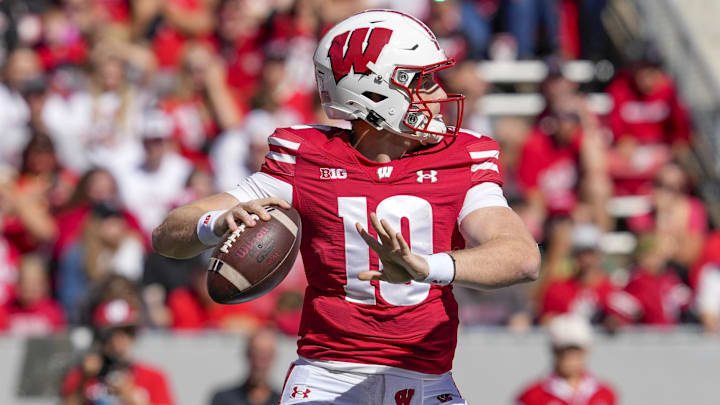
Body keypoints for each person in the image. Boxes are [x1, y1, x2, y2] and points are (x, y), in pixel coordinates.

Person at [153, 10, 540, 404]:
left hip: (426, 376)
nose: (440, 94)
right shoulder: (305, 157)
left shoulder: (463, 157)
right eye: (421, 81)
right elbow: (168, 235)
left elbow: (522, 258)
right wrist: (217, 223)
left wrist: (428, 267)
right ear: (374, 94)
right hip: (326, 377)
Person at [61, 298, 174, 405]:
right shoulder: (81, 376)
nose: (118, 341)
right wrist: (84, 381)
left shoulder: (153, 377)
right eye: (110, 334)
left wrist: (131, 397)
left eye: (127, 332)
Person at [515, 315, 617, 405]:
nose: (569, 357)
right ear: (554, 352)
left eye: (575, 350)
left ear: (586, 352)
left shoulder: (605, 394)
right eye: (563, 350)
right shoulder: (532, 396)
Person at [209, 328, 281, 405]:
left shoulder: (284, 402)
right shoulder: (223, 399)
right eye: (256, 353)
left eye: (266, 355)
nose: (260, 363)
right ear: (247, 354)